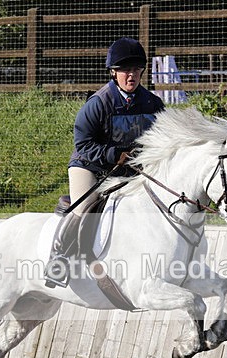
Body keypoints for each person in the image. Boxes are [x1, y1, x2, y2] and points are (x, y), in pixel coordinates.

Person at [45, 37, 166, 288]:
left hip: (130, 169)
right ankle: (58, 260)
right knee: (85, 207)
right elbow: (83, 144)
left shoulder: (153, 103)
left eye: (136, 69)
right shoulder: (98, 103)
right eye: (125, 70)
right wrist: (113, 155)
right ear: (113, 72)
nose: (131, 75)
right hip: (90, 165)